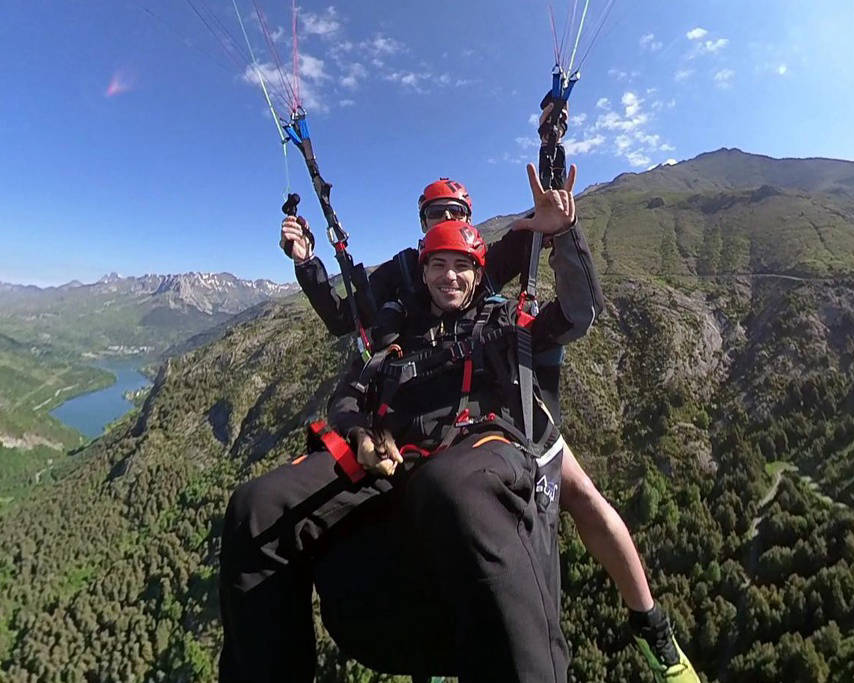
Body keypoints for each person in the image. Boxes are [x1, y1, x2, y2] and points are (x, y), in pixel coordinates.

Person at [280, 169, 698, 681]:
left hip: (498, 395)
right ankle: (442, 646)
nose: (449, 233)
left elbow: (562, 286)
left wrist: (560, 223)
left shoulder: (488, 258)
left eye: (457, 219)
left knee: (580, 495)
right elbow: (352, 320)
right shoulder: (401, 274)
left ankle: (652, 627)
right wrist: (308, 264)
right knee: (430, 504)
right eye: (438, 218)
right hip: (424, 407)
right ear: (422, 224)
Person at [220, 170, 593, 681]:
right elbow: (350, 368)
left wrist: (560, 232)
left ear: (477, 259)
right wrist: (359, 433)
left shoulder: (500, 319)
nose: (449, 274)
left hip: (472, 447)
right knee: (254, 509)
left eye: (461, 261)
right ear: (421, 260)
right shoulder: (394, 316)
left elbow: (574, 310)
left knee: (456, 485)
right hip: (391, 450)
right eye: (437, 262)